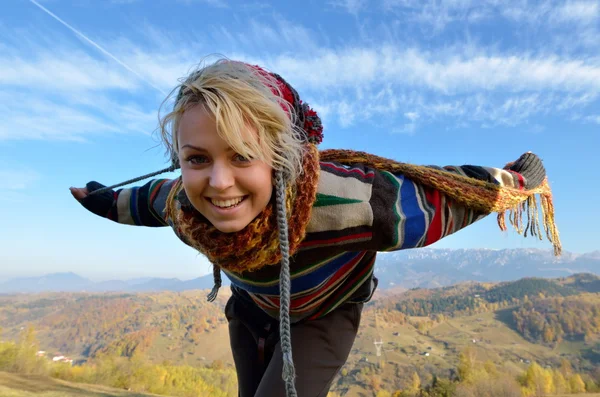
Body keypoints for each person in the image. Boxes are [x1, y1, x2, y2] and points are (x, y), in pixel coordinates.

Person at [70, 59, 560, 397]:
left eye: (243, 155)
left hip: (328, 310)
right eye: (196, 158)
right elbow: (142, 201)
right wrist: (102, 200)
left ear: (281, 159)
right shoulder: (185, 201)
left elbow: (446, 198)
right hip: (253, 306)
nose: (218, 183)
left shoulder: (354, 203)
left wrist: (518, 179)